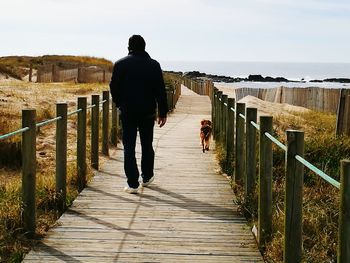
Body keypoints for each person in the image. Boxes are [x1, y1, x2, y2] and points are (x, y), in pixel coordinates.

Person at [110, 35, 168, 194]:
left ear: (129, 47)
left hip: (127, 111)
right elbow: (160, 91)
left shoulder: (120, 64)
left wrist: (119, 103)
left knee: (129, 147)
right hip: (148, 112)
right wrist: (162, 112)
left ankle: (133, 183)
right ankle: (147, 176)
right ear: (144, 46)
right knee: (147, 145)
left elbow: (114, 88)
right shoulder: (154, 65)